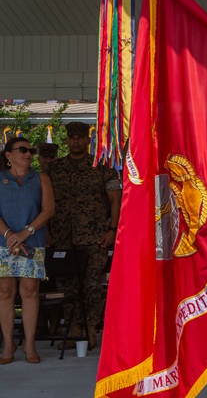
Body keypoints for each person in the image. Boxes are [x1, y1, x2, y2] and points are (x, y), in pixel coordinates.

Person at [46, 121, 121, 350]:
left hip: (95, 237)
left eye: (80, 137)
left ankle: (90, 330)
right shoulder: (54, 169)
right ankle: (73, 330)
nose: (76, 141)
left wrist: (112, 229)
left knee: (91, 287)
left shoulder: (102, 166)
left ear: (88, 140)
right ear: (66, 140)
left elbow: (115, 199)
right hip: (62, 238)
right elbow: (45, 203)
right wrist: (47, 233)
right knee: (67, 287)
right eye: (72, 137)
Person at [0, 137, 54, 364]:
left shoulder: (41, 178)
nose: (28, 154)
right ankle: (8, 343)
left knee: (30, 290)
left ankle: (29, 343)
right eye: (22, 150)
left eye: (30, 150)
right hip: (3, 243)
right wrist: (10, 235)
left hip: (32, 242)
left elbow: (48, 210)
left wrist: (25, 233)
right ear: (8, 155)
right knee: (4, 291)